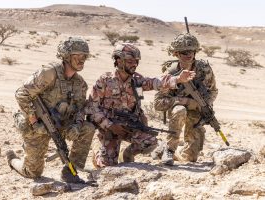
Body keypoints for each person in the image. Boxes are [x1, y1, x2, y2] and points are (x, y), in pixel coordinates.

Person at [87, 43, 196, 168]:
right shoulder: (105, 80)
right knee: (105, 166)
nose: (134, 64)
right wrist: (110, 125)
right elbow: (92, 107)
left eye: (136, 61)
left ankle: (127, 154)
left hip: (129, 127)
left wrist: (177, 79)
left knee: (151, 142)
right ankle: (97, 148)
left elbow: (155, 82)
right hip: (108, 129)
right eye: (129, 61)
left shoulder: (136, 80)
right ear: (118, 61)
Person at [6, 37, 95, 183]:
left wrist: (77, 126)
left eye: (84, 56)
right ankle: (12, 160)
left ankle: (70, 171)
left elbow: (80, 109)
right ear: (66, 56)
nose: (82, 60)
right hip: (35, 124)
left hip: (60, 124)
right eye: (77, 56)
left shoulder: (80, 84)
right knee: (33, 173)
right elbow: (21, 94)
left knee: (88, 128)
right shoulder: (49, 73)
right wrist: (34, 122)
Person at [153, 33, 218, 165]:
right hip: (177, 108)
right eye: (184, 52)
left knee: (190, 158)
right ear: (176, 54)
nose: (189, 55)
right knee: (180, 110)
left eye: (192, 51)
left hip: (197, 110)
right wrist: (183, 101)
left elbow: (213, 91)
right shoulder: (170, 73)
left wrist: (203, 105)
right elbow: (158, 103)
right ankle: (169, 149)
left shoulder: (204, 70)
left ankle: (164, 151)